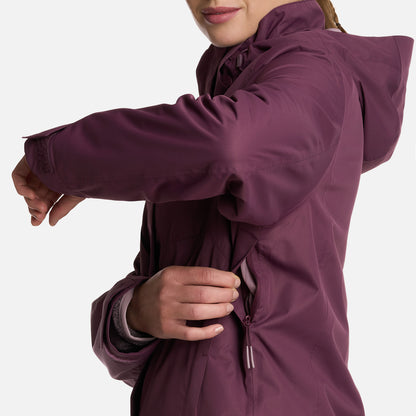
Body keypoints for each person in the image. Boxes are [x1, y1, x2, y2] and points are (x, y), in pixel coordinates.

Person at [11, 0, 413, 414]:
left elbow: (231, 146)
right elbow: (176, 344)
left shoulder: (314, 68)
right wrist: (133, 314)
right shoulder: (230, 97)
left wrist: (65, 160)